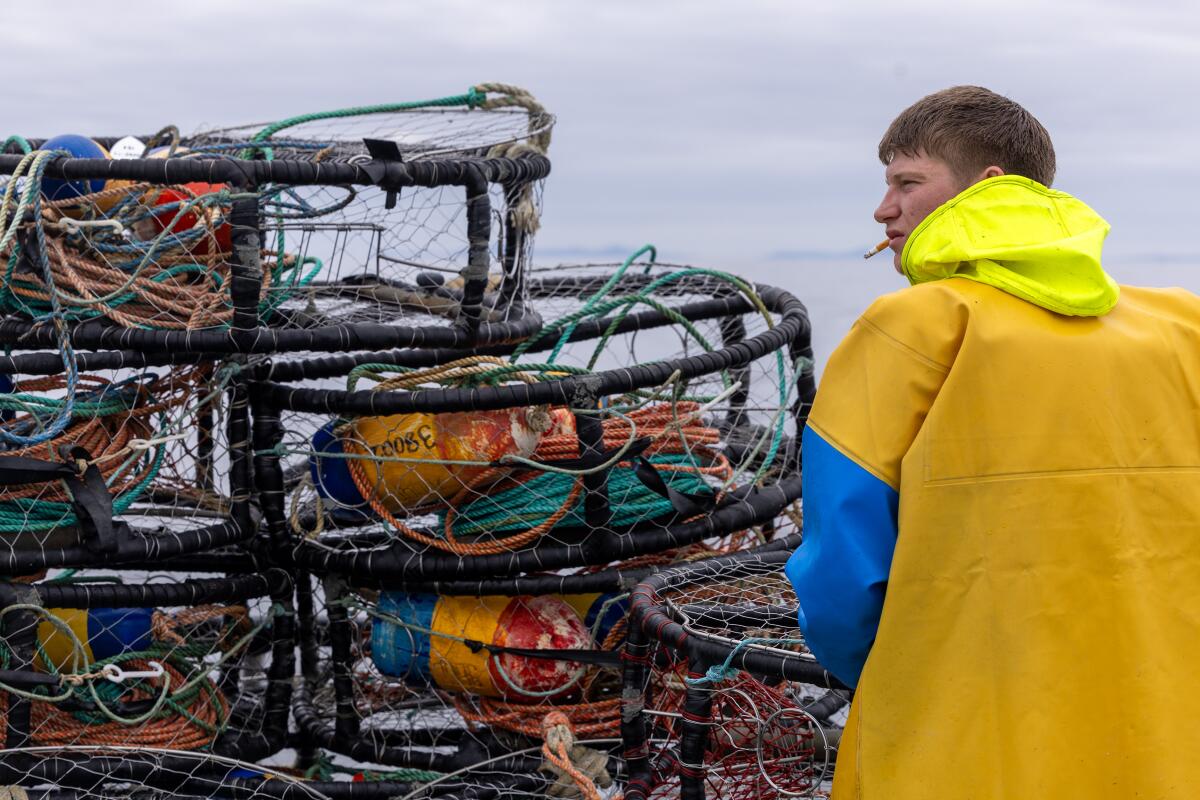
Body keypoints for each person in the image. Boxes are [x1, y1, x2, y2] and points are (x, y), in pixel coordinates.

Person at [785, 85, 1200, 797]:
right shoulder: (1182, 326)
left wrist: (897, 680)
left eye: (906, 182)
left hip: (965, 738)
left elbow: (840, 583)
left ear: (988, 188)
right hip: (1165, 733)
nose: (884, 209)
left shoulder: (916, 327)